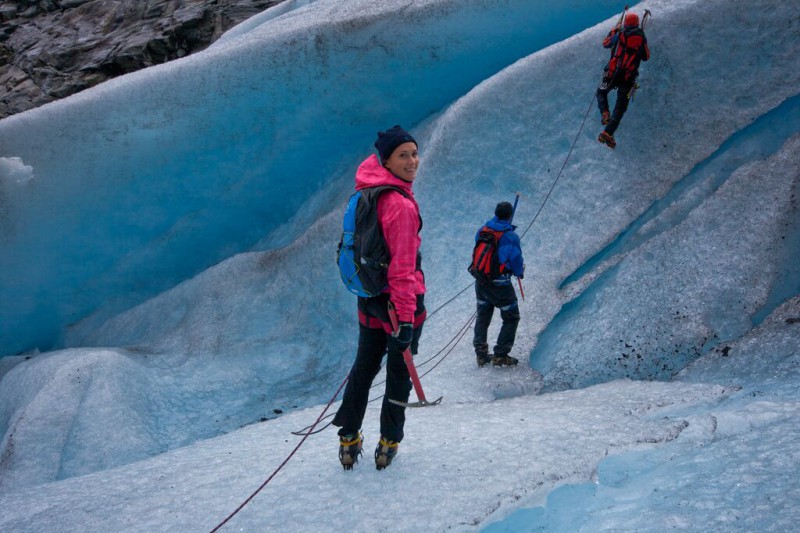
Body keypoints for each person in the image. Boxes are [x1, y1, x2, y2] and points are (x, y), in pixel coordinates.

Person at [332, 125, 426, 471]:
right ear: (385, 160)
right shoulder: (399, 205)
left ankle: (348, 437)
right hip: (398, 306)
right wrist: (404, 318)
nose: (412, 161)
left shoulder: (365, 192)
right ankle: (388, 442)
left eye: (415, 153)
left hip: (369, 298)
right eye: (403, 155)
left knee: (363, 368)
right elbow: (402, 269)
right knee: (399, 373)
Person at [472, 201, 524, 367]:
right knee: (511, 318)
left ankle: (481, 355)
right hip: (500, 286)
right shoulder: (511, 237)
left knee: (483, 316)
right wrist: (519, 272)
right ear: (509, 216)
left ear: (496, 213)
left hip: (481, 281)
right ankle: (500, 355)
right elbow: (515, 260)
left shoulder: (483, 230)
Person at [596, 11, 650, 149]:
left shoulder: (620, 34)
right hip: (628, 79)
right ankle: (608, 132)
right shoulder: (641, 38)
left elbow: (606, 43)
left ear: (626, 23)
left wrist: (613, 30)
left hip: (612, 74)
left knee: (601, 92)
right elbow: (646, 57)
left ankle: (605, 113)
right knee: (620, 108)